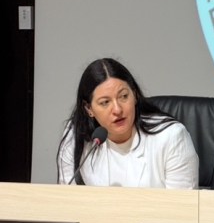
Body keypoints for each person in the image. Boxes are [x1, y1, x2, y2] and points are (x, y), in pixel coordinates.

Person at [57, 58, 199, 189]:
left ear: (135, 95)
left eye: (124, 96)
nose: (117, 110)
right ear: (89, 109)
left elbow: (182, 206)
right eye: (105, 102)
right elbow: (67, 201)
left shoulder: (171, 137)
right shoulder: (75, 137)